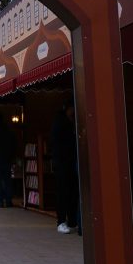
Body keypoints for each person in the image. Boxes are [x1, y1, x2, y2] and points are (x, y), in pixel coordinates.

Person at [50, 100, 79, 234]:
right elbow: (57, 143)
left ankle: (72, 221)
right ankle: (61, 221)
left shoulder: (70, 121)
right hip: (63, 162)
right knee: (63, 192)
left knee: (72, 192)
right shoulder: (61, 123)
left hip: (69, 162)